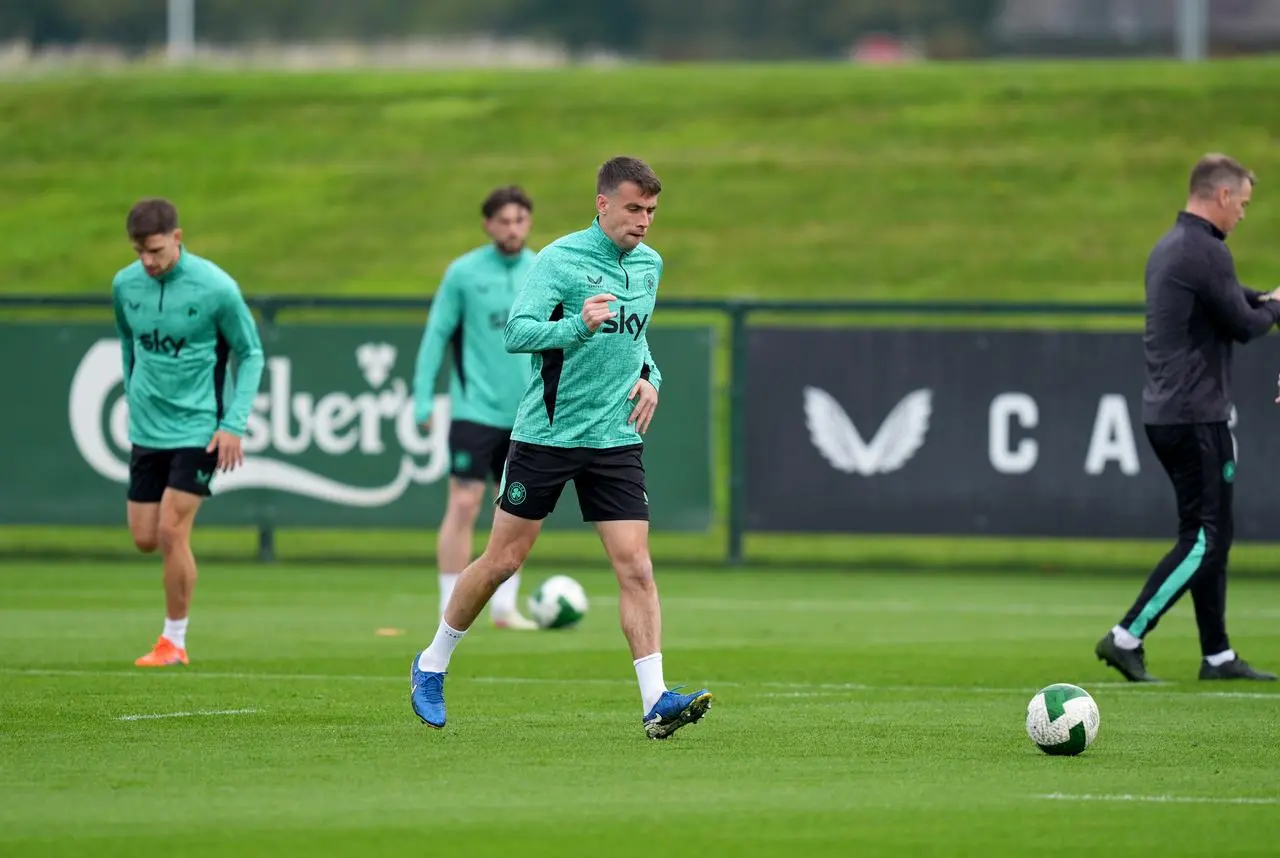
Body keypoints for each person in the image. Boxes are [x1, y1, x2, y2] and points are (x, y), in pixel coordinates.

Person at [409, 156, 713, 739]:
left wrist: (652, 378)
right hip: (547, 435)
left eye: (651, 210)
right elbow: (517, 332)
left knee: (637, 568)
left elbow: (638, 341)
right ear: (603, 204)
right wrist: (577, 325)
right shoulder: (558, 260)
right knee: (503, 561)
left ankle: (656, 701)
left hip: (615, 438)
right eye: (633, 208)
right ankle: (432, 662)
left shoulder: (649, 265)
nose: (644, 221)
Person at [1096, 154, 1280, 683]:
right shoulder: (1206, 250)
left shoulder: (1173, 246)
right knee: (1207, 539)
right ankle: (1126, 635)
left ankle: (1217, 655)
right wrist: (1276, 307)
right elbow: (1245, 324)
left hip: (1170, 412)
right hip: (1197, 415)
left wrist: (1267, 299)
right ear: (1222, 196)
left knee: (1207, 535)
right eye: (1242, 203)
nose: (1242, 213)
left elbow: (1233, 299)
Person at [111, 198, 265, 667]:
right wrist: (132, 393)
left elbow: (251, 354)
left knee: (171, 529)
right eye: (139, 252)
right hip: (147, 429)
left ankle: (173, 641)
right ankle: (172, 637)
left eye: (155, 250)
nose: (147, 261)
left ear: (177, 238)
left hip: (200, 427)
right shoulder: (124, 285)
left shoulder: (217, 288)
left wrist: (232, 424)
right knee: (145, 537)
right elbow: (128, 342)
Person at [412, 186, 540, 630]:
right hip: (474, 410)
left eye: (520, 220)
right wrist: (422, 397)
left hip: (528, 414)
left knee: (519, 513)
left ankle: (504, 608)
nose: (513, 229)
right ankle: (449, 606)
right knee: (465, 503)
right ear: (488, 225)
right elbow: (436, 336)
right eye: (504, 221)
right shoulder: (463, 274)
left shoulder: (542, 269)